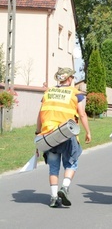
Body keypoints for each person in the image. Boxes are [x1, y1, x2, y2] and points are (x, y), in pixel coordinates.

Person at [35, 67, 91, 208]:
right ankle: (65, 187)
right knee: (71, 163)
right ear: (70, 78)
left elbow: (40, 115)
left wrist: (37, 133)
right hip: (66, 133)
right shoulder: (76, 94)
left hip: (49, 135)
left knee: (53, 167)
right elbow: (82, 114)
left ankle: (54, 197)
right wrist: (88, 132)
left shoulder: (48, 92)